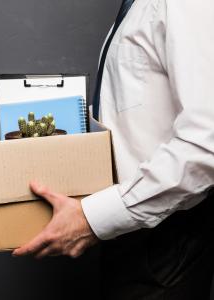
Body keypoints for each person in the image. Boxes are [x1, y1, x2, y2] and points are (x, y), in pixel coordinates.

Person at [13, 0, 214, 299]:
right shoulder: (139, 6)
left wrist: (92, 219)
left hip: (164, 242)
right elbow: (134, 113)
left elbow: (205, 145)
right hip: (130, 229)